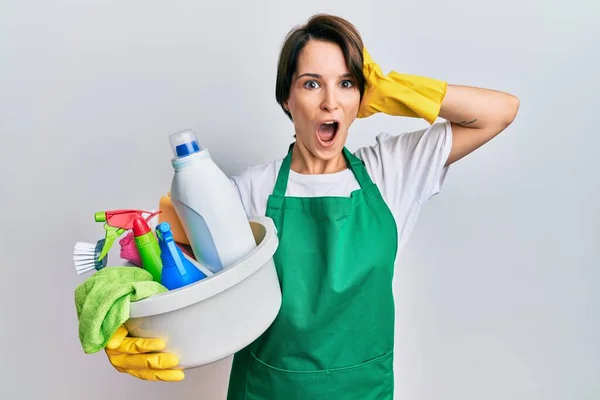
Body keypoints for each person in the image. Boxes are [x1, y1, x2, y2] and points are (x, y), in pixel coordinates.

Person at [103, 13, 519, 399]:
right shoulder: (250, 192)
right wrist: (126, 325)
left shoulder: (392, 171)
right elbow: (159, 262)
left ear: (362, 97)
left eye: (346, 83)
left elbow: (499, 112)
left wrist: (396, 91)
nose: (330, 102)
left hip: (361, 390)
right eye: (311, 83)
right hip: (266, 391)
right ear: (286, 99)